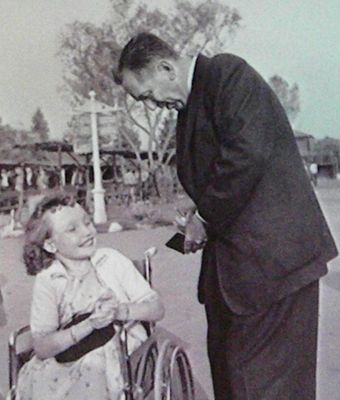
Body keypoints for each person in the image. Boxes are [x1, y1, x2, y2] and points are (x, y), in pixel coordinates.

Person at [114, 32, 338, 399]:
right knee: (235, 383)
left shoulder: (227, 75)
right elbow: (219, 180)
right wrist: (193, 218)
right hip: (237, 278)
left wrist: (204, 217)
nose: (152, 105)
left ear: (166, 68)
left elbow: (246, 156)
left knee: (270, 387)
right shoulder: (187, 110)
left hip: (275, 269)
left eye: (147, 95)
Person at [16, 194, 164, 400]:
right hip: (70, 349)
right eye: (72, 229)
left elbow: (156, 309)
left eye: (87, 222)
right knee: (43, 377)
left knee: (93, 369)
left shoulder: (111, 261)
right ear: (50, 245)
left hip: (118, 343)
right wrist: (88, 326)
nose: (87, 232)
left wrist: (120, 311)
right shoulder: (49, 279)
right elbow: (42, 346)